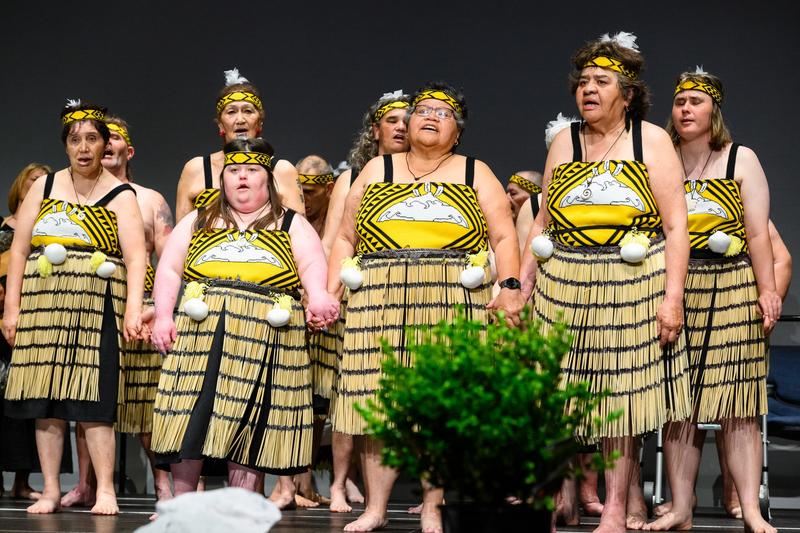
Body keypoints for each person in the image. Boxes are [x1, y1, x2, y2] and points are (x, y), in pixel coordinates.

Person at [328, 82, 523, 532]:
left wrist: (510, 285)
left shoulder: (475, 171)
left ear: (457, 132)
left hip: (450, 295)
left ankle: (433, 506)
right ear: (407, 123)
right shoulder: (378, 169)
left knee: (440, 406)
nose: (431, 117)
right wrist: (334, 286)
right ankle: (376, 508)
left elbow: (504, 236)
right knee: (375, 403)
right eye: (422, 110)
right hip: (379, 296)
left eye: (444, 112)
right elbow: (343, 236)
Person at [519, 32, 691, 533]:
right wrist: (519, 283)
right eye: (583, 82)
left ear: (628, 92)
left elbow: (676, 224)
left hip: (630, 280)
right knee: (557, 393)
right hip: (565, 280)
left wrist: (672, 298)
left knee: (620, 400)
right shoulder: (565, 141)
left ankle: (615, 506)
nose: (588, 89)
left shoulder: (651, 141)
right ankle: (556, 496)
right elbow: (542, 221)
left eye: (602, 81)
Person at [150, 138, 338, 510]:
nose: (242, 178)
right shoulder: (199, 219)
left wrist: (317, 294)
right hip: (201, 335)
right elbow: (170, 268)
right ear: (223, 179)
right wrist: (162, 315)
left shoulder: (291, 224)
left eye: (251, 171)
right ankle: (182, 507)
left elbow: (313, 265)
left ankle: (242, 509)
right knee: (188, 420)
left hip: (264, 335)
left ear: (267, 179)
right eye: (234, 171)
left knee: (250, 425)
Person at [643, 68, 781, 533]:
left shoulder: (741, 159)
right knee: (680, 403)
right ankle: (681, 507)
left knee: (738, 406)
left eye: (695, 102)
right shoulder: (658, 160)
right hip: (676, 285)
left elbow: (759, 233)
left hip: (732, 284)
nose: (685, 109)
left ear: (713, 110)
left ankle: (751, 510)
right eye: (679, 101)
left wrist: (767, 290)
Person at [2, 100, 147, 515]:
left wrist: (133, 310)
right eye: (75, 140)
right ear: (65, 145)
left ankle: (105, 490)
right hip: (43, 305)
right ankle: (49, 490)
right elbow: (20, 250)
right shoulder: (43, 188)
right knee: (43, 401)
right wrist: (12, 308)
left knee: (95, 403)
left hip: (96, 304)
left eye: (92, 139)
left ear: (105, 145)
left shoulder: (121, 195)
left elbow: (136, 257)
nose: (83, 148)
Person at [60, 115, 175, 508]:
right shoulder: (72, 195)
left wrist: (157, 308)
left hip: (136, 307)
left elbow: (169, 259)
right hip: (91, 304)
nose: (104, 146)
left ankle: (162, 485)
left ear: (129, 150)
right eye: (97, 139)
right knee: (85, 396)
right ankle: (85, 484)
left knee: (144, 404)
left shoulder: (149, 199)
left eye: (113, 139)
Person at [321, 90, 410, 514]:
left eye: (406, 119)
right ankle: (339, 483)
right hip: (360, 295)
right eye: (391, 120)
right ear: (375, 129)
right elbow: (336, 236)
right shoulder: (356, 174)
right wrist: (326, 293)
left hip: (413, 298)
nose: (401, 126)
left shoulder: (431, 174)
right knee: (354, 394)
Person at [175, 68, 303, 222]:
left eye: (248, 111)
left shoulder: (282, 170)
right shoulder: (196, 169)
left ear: (260, 123)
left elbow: (300, 233)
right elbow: (181, 235)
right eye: (231, 112)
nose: (240, 119)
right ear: (220, 125)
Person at [0, 163, 51, 501]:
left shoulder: (50, 230)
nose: (38, 186)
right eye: (33, 180)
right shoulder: (3, 229)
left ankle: (22, 480)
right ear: (21, 186)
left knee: (29, 401)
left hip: (38, 315)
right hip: (3, 316)